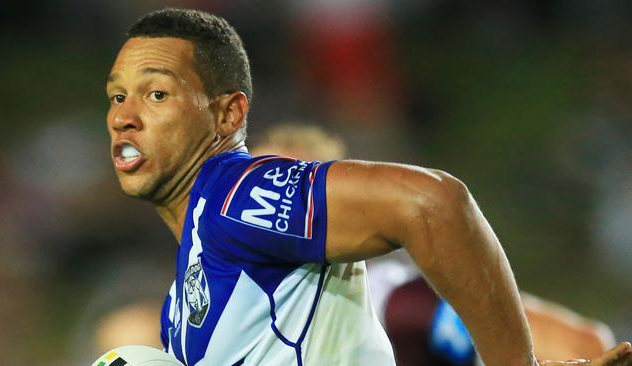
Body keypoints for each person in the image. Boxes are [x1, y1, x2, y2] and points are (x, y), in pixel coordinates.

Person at [104, 8, 632, 366]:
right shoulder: (182, 302)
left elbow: (432, 202)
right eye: (116, 97)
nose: (123, 116)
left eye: (155, 94)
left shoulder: (234, 197)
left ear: (226, 114)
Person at [251, 123, 617, 365]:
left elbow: (583, 346)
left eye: (290, 193)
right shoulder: (213, 303)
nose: (266, 210)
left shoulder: (396, 301)